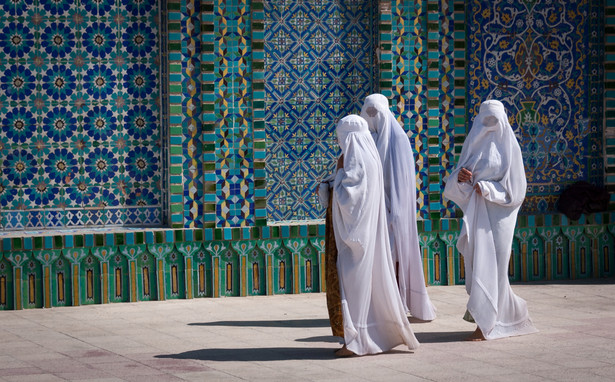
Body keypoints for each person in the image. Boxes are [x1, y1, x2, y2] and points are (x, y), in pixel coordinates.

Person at [443, 99, 538, 340]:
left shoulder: (510, 147)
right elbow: (456, 183)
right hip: (476, 217)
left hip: (499, 218)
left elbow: (516, 191)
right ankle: (501, 317)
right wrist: (460, 178)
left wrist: (488, 189)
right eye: (486, 119)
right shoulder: (472, 144)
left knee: (495, 268)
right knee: (477, 266)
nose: (489, 124)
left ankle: (489, 323)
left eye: (494, 119)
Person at [331, 114, 419, 356]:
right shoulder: (369, 157)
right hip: (366, 238)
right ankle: (368, 337)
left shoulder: (355, 161)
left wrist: (337, 176)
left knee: (355, 288)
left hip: (356, 241)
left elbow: (349, 200)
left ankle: (356, 342)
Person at [360, 94, 436, 321]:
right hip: (372, 210)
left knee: (395, 255)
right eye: (368, 112)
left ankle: (398, 302)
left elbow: (402, 181)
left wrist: (398, 212)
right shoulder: (365, 139)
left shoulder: (398, 140)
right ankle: (382, 304)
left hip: (394, 210)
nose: (372, 117)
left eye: (376, 113)